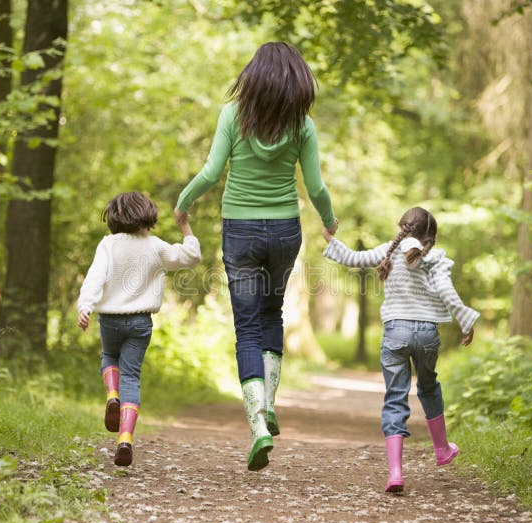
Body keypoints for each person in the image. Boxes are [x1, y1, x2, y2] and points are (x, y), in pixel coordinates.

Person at [174, 42, 338, 471]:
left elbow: (211, 172)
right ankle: (268, 404)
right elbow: (316, 187)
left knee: (246, 327)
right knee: (273, 314)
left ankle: (258, 423)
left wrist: (183, 202)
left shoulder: (233, 116)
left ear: (253, 76)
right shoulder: (302, 125)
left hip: (240, 231)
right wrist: (329, 219)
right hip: (285, 230)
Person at [321, 206, 478, 492]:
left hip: (395, 332)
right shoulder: (436, 258)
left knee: (395, 396)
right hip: (427, 333)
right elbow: (446, 292)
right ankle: (442, 449)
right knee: (428, 386)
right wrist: (466, 320)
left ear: (403, 227)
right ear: (431, 236)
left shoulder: (389, 251)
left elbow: (353, 258)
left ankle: (395, 474)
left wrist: (330, 239)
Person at [77, 192, 201, 466]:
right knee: (131, 376)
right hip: (140, 322)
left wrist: (85, 306)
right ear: (147, 216)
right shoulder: (155, 246)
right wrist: (185, 226)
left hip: (109, 319)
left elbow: (95, 277)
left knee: (109, 357)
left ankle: (112, 396)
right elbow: (191, 257)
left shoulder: (109, 244)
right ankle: (125, 439)